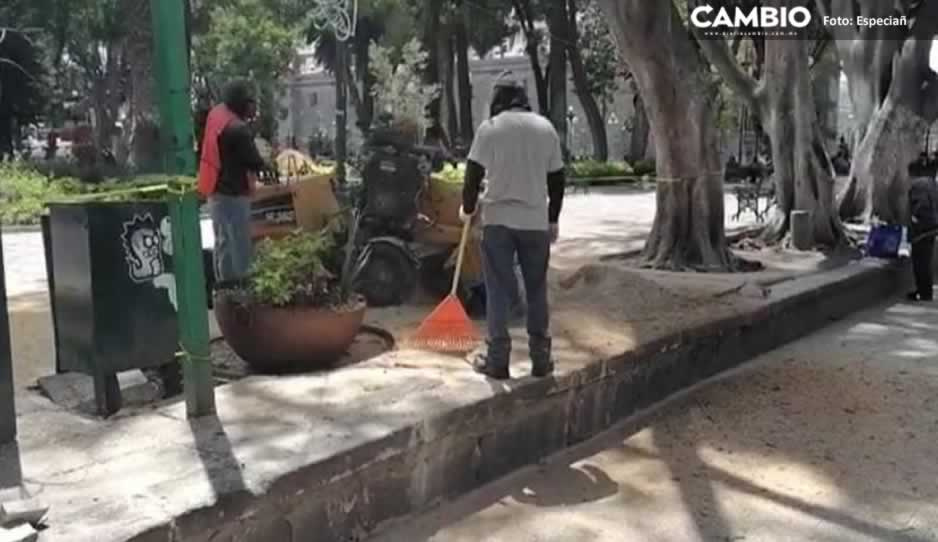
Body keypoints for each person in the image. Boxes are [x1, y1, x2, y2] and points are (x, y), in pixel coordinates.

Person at [459, 75, 566, 380]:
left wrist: (468, 210)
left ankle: (498, 360)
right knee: (536, 289)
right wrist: (553, 218)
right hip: (534, 223)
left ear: (497, 101)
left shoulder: (490, 130)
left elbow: (472, 177)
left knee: (497, 291)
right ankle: (541, 358)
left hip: (498, 223)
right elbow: (557, 180)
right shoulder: (545, 129)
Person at [197, 79, 267, 284]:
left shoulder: (216, 116)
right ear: (241, 103)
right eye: (250, 102)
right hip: (234, 195)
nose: (253, 107)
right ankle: (242, 289)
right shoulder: (238, 129)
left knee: (223, 243)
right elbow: (255, 162)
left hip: (214, 190)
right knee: (240, 246)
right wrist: (267, 165)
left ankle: (223, 288)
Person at [907, 163, 938, 302]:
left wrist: (915, 220)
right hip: (933, 226)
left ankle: (923, 292)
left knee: (920, 262)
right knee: (926, 260)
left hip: (922, 228)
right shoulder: (932, 183)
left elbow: (921, 205)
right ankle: (926, 291)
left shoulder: (917, 185)